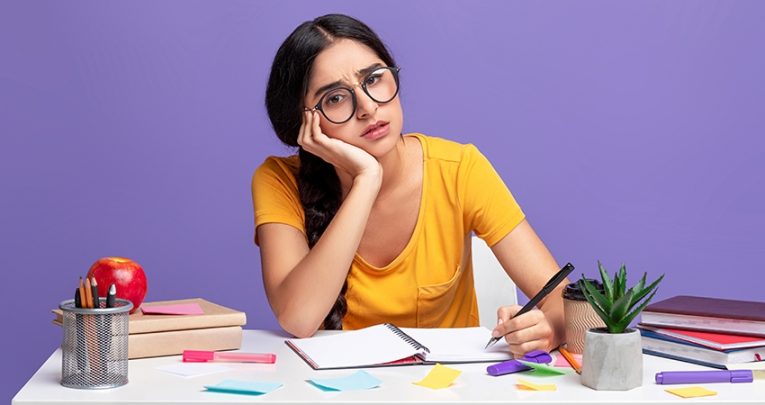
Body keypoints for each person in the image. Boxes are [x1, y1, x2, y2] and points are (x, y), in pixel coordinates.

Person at [252, 13, 567, 356]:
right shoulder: (278, 180)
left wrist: (548, 329)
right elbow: (299, 318)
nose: (368, 108)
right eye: (335, 99)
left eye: (374, 79)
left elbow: (561, 301)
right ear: (304, 122)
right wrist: (366, 180)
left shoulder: (460, 169)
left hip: (446, 387)